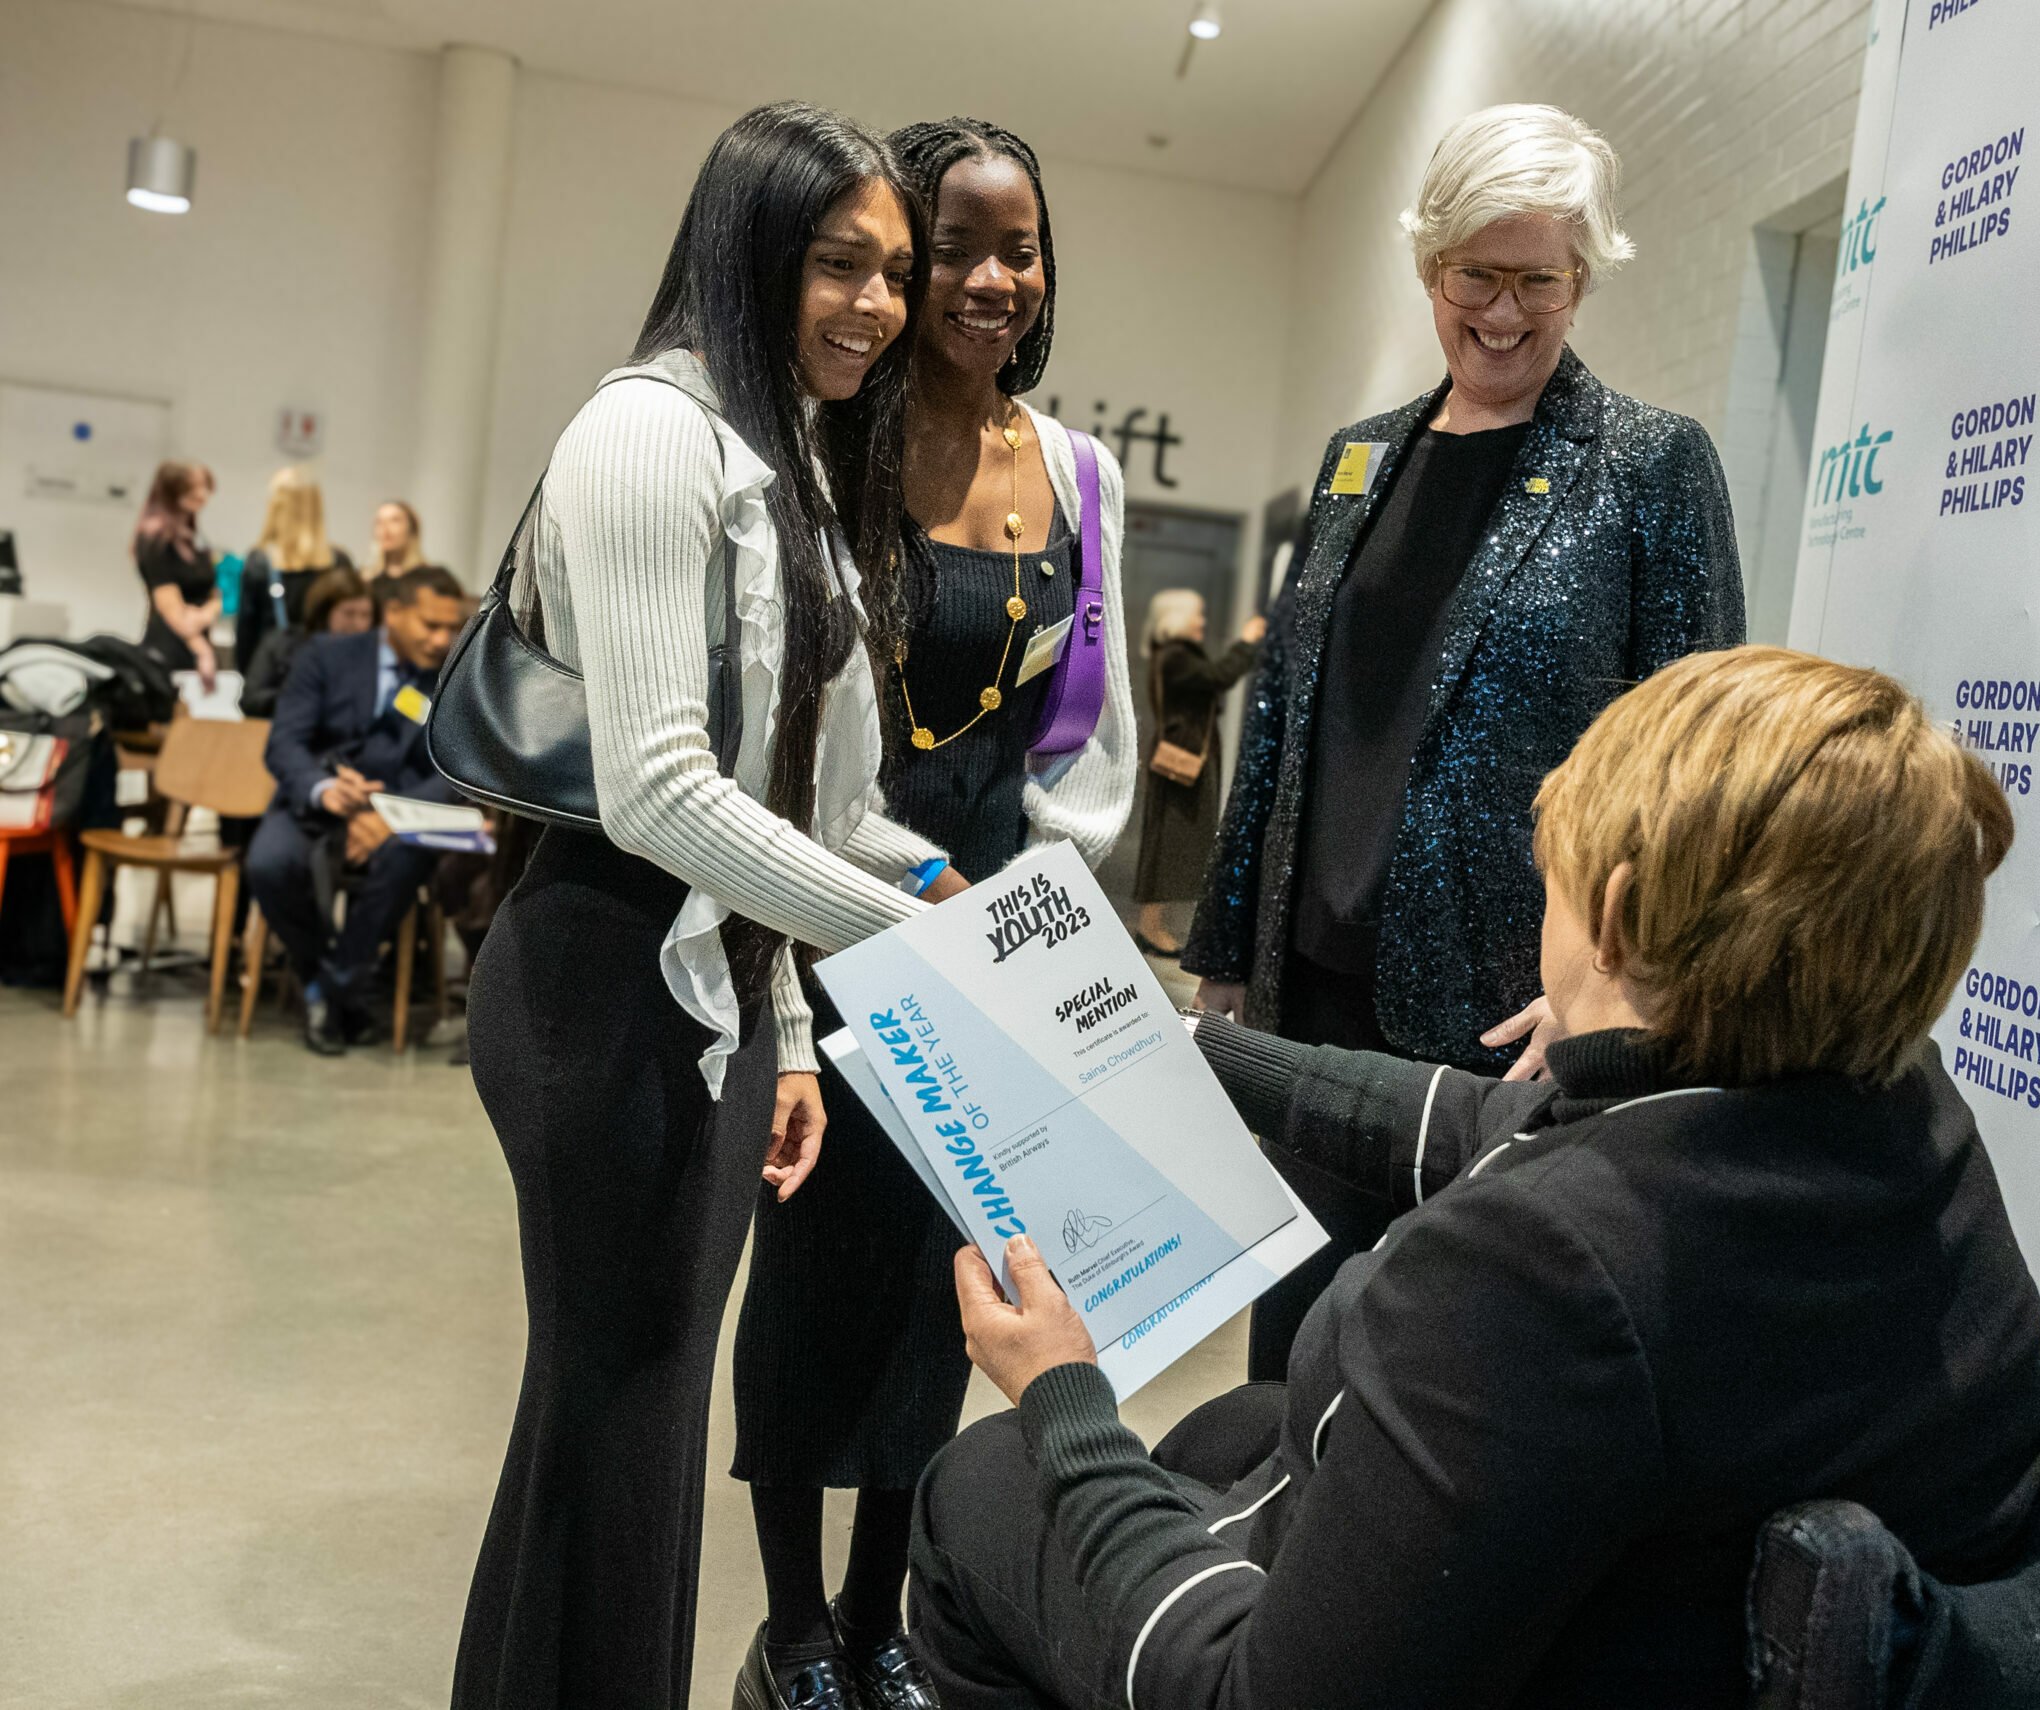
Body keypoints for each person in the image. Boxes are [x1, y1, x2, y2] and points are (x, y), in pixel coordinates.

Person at [905, 645, 2040, 1709]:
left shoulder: (1541, 1268)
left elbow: (1261, 1695)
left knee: (985, 1479)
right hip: (1681, 1618)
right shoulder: (1879, 1106)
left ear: (1610, 914)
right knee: (1229, 1432)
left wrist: (1063, 1394)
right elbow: (1480, 1122)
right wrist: (1167, 1039)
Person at [449, 103, 962, 1710]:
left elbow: (803, 798)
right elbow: (661, 791)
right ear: (747, 254)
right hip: (599, 984)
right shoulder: (650, 435)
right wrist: (907, 941)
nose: (877, 307)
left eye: (893, 272)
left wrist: (795, 1023)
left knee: (640, 1414)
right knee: (616, 1410)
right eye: (836, 265)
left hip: (712, 995)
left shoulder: (779, 456)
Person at [1182, 102, 1746, 1378]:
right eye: (1472, 278)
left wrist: (1617, 980)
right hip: (1315, 997)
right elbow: (1280, 713)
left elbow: (1692, 766)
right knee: (1294, 1368)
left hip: (1506, 1023)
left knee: (1442, 1384)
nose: (1501, 315)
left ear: (1582, 276)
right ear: (1427, 266)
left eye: (1535, 282)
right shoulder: (1357, 460)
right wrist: (1226, 949)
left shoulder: (1648, 466)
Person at [725, 113, 1135, 1710]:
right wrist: (889, 879)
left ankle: (883, 1613)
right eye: (946, 245)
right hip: (836, 904)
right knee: (814, 1273)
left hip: (993, 928)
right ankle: (795, 1626)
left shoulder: (1079, 469)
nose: (982, 278)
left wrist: (1045, 905)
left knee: (947, 1277)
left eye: (1013, 246)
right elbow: (789, 721)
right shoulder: (831, 450)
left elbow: (1088, 742)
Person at [244, 566, 468, 1054]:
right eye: (431, 625)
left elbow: (456, 770)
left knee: (406, 859)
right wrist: (322, 787)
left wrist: (391, 817)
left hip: (400, 814)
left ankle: (332, 990)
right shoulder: (326, 656)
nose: (442, 639)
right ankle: (324, 978)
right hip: (317, 800)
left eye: (452, 628)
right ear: (393, 612)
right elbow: (284, 742)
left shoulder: (453, 678)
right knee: (268, 864)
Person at [1131, 589, 1263, 957]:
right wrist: (1247, 643)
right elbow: (1219, 676)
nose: (1202, 623)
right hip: (1182, 764)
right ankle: (1150, 926)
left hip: (1185, 759)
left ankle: (1151, 924)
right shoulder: (1175, 656)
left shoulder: (1174, 655)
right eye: (1196, 615)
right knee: (1172, 844)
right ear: (1176, 617)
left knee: (1173, 842)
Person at [232, 468, 355, 695]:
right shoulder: (339, 562)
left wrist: (253, 679)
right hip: (327, 681)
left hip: (273, 682)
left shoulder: (259, 562)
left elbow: (246, 635)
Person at [239, 566, 373, 717]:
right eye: (349, 613)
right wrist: (303, 697)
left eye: (366, 615)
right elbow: (250, 700)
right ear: (323, 612)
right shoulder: (283, 643)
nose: (359, 624)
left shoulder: (376, 655)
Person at [131, 460, 219, 688]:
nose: (202, 495)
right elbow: (169, 605)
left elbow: (215, 594)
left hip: (198, 637)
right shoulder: (155, 538)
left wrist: (204, 616)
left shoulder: (194, 538)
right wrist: (201, 648)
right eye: (194, 488)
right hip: (170, 645)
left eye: (204, 487)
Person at [367, 498, 425, 582]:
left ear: (411, 529)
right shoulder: (365, 582)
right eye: (379, 522)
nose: (385, 528)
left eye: (395, 520)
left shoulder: (435, 579)